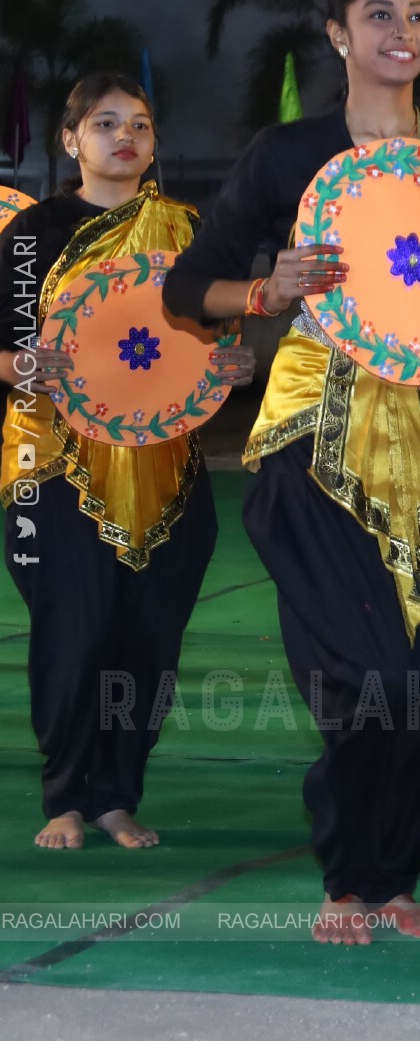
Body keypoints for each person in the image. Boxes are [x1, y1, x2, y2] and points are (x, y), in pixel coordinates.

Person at [163, 0, 420, 945]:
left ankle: (400, 873)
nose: (402, 29)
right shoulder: (289, 155)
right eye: (378, 14)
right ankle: (349, 874)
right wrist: (265, 291)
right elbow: (186, 288)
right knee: (367, 671)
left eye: (415, 13)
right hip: (314, 433)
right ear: (338, 35)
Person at [3, 75, 254, 851]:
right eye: (105, 123)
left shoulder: (187, 229)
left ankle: (118, 795)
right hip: (52, 461)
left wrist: (231, 364)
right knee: (74, 628)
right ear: (70, 140)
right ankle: (66, 796)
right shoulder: (31, 234)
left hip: (165, 466)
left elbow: (213, 335)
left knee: (148, 637)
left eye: (140, 124)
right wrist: (24, 367)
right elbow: (8, 350)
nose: (125, 136)